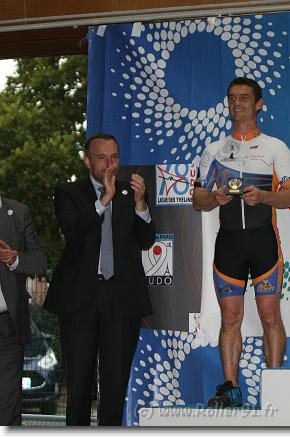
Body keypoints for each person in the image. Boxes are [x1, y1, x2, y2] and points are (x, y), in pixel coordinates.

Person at [193, 77, 290, 408]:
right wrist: (215, 197)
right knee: (230, 319)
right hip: (229, 244)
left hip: (263, 241)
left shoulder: (275, 147)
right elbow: (198, 199)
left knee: (269, 316)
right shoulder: (214, 150)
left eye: (243, 97)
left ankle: (276, 385)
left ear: (259, 104)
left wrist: (264, 196)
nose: (236, 103)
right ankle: (231, 388)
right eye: (231, 98)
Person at [44, 133, 156, 425]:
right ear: (87, 161)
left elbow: (146, 240)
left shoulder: (130, 192)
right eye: (102, 158)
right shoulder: (68, 192)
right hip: (78, 300)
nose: (110, 164)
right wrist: (104, 198)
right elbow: (72, 229)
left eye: (115, 157)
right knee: (79, 385)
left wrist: (141, 204)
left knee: (115, 387)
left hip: (122, 300)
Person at [0, 197, 47, 425]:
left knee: (8, 406)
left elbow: (40, 262)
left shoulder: (19, 213)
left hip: (7, 326)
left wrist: (15, 258)